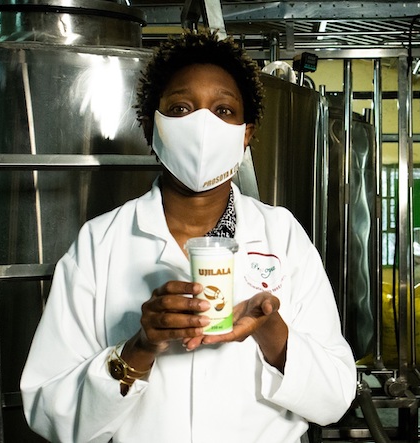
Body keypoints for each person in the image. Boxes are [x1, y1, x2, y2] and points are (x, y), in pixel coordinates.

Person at [20, 30, 357, 443]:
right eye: (180, 108)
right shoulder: (101, 242)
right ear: (151, 125)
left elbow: (336, 397)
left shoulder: (281, 235)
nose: (202, 125)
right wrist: (140, 348)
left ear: (246, 133)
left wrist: (269, 330)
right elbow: (49, 412)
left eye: (224, 110)